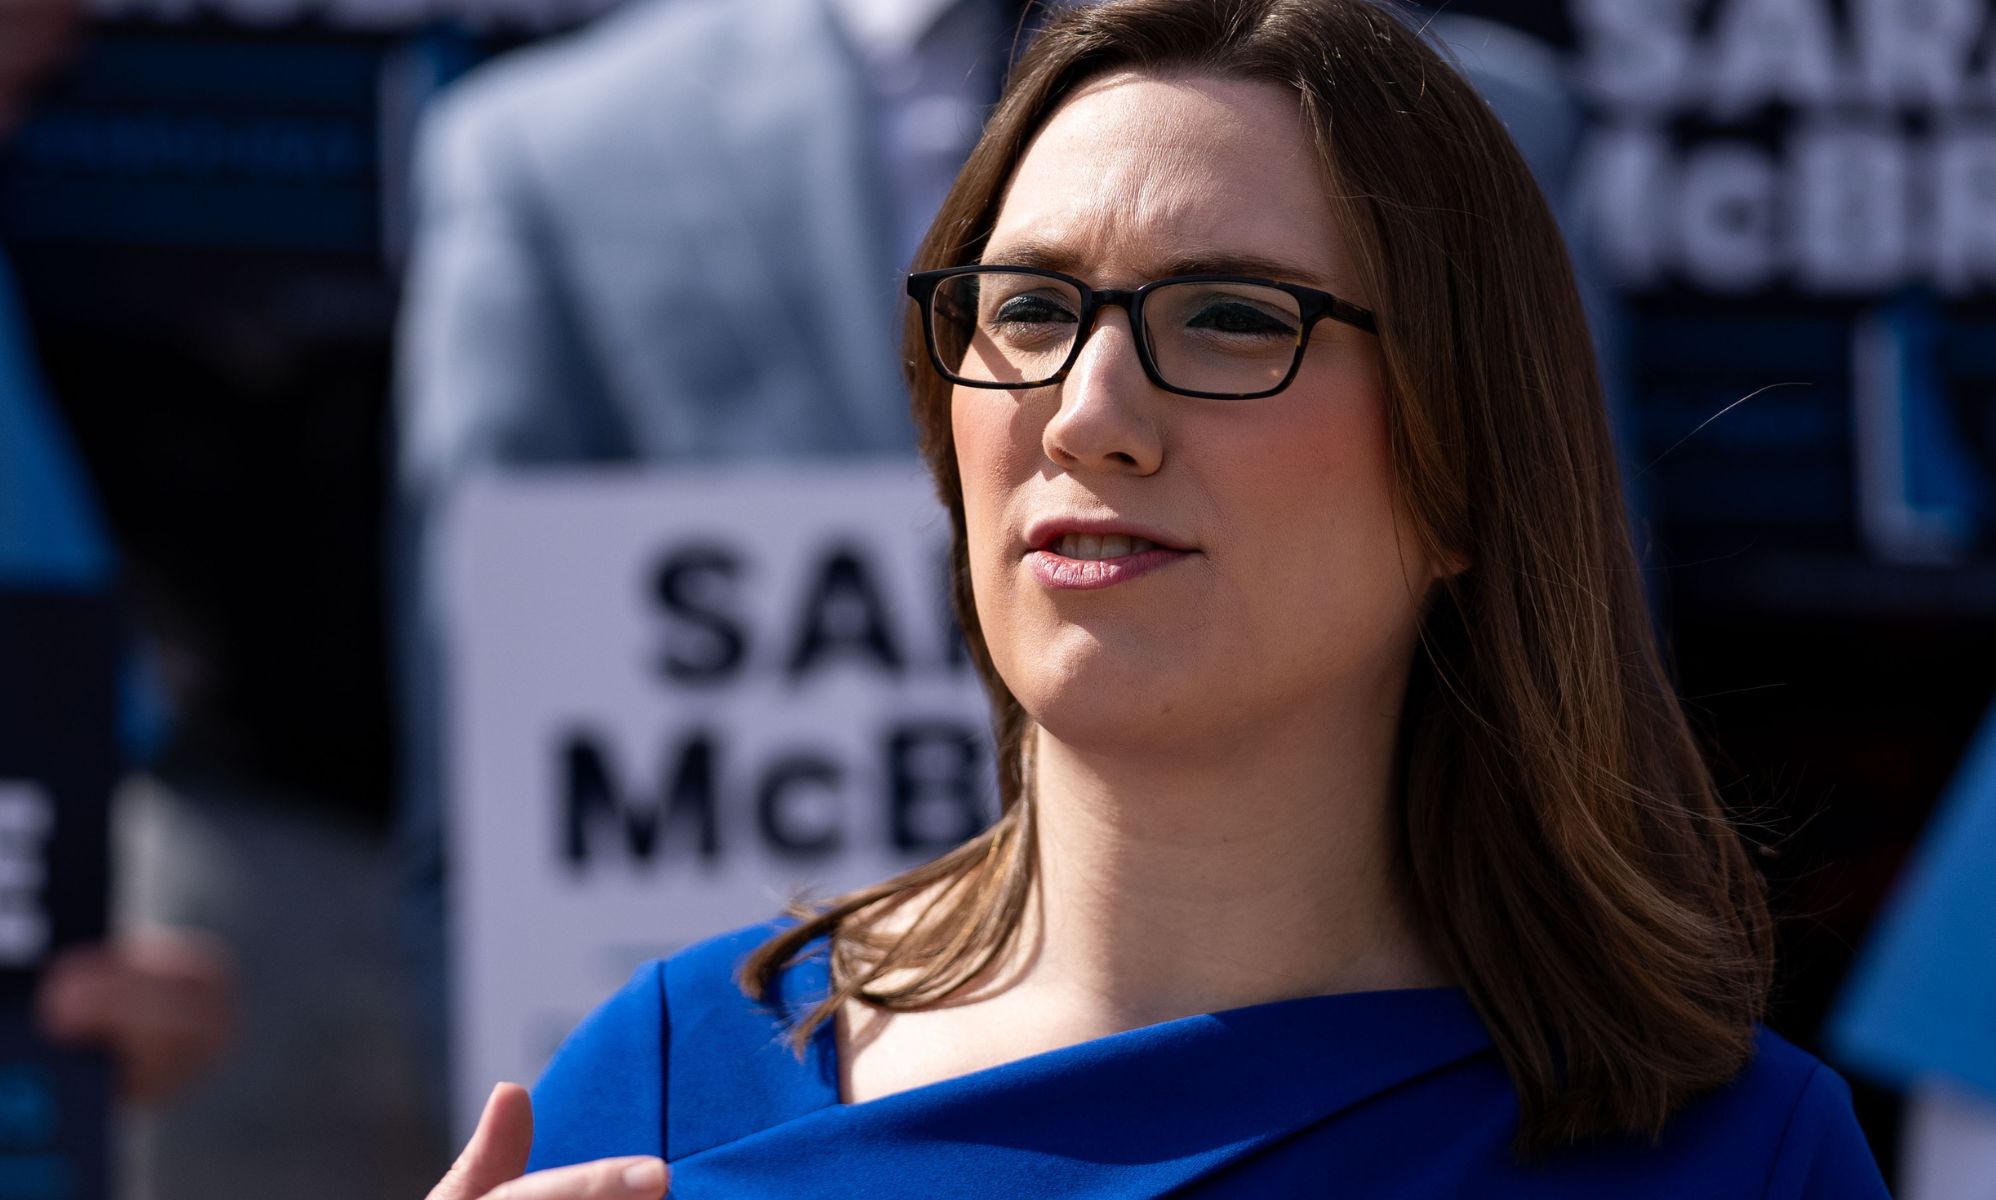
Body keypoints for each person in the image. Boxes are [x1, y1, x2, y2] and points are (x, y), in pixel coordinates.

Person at [429, 0, 1892, 1195]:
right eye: (1029, 309)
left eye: (1235, 317)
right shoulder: (662, 1085)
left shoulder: (1730, 1157)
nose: (1085, 414)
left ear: (1467, 466)